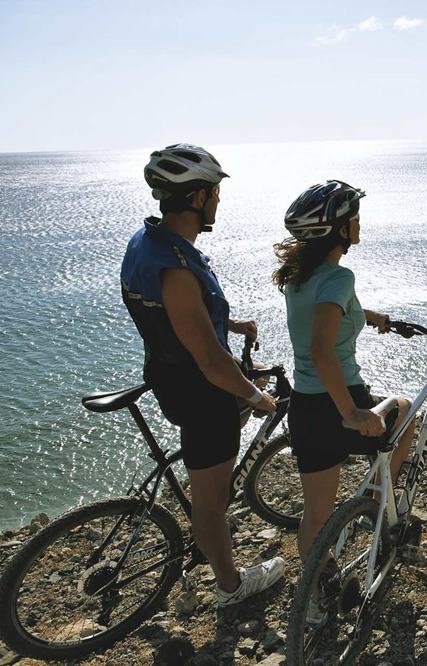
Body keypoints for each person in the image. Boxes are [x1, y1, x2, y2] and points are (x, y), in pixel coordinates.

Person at [121, 144, 286, 606]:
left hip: (170, 375)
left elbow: (173, 316)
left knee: (215, 462)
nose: (218, 200)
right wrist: (254, 396)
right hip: (201, 392)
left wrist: (226, 323)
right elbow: (212, 363)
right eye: (214, 192)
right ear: (197, 198)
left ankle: (208, 518)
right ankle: (231, 586)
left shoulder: (148, 243)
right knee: (210, 506)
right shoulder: (176, 269)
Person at [272, 180, 417, 573]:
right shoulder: (340, 278)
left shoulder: (299, 277)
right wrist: (351, 412)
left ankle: (318, 585)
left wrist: (368, 316)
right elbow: (323, 350)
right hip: (340, 399)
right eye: (354, 218)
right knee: (405, 410)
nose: (359, 224)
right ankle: (378, 500)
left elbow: (324, 312)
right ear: (338, 230)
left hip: (305, 407)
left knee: (316, 512)